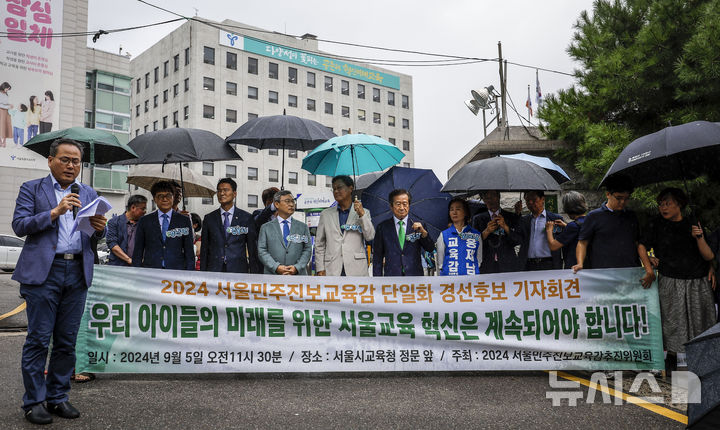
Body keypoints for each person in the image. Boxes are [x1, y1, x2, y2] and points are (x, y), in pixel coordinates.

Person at [12, 139, 107, 424]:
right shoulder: (32, 189)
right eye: (65, 159)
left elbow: (91, 235)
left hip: (77, 271)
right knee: (39, 340)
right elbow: (19, 225)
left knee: (66, 342)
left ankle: (58, 397)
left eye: (76, 161)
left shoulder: (88, 192)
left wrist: (99, 229)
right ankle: (34, 401)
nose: (71, 165)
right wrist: (55, 211)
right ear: (51, 160)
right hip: (44, 273)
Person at [638, 188, 716, 368]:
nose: (663, 207)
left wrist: (699, 238)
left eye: (668, 203)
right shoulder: (656, 224)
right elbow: (642, 245)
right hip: (670, 279)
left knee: (700, 321)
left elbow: (709, 256)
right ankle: (672, 359)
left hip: (697, 279)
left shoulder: (693, 223)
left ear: (679, 204)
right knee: (672, 322)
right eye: (661, 204)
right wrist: (649, 269)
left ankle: (704, 361)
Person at [572, 175, 656, 288]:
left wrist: (648, 267)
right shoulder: (594, 216)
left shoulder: (631, 216)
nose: (622, 202)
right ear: (608, 194)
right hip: (604, 275)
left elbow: (638, 243)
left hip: (630, 274)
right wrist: (580, 263)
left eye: (626, 199)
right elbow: (582, 242)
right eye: (618, 198)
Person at [315, 175, 375, 276]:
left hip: (356, 269)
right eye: (334, 189)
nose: (336, 191)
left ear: (350, 188)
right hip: (332, 269)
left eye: (339, 187)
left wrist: (362, 215)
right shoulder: (325, 214)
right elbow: (319, 244)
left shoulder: (364, 212)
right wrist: (320, 268)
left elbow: (370, 236)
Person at [200, 178, 260, 273]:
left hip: (238, 270)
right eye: (219, 191)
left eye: (226, 190)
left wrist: (254, 274)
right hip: (214, 269)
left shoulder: (246, 218)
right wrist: (202, 273)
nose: (222, 193)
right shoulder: (209, 218)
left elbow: (252, 249)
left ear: (234, 194)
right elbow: (204, 249)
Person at [132, 181, 194, 270]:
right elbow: (138, 251)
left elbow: (189, 252)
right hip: (151, 271)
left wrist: (190, 274)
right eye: (160, 196)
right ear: (155, 199)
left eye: (168, 196)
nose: (165, 199)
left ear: (173, 197)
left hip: (176, 272)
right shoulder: (144, 221)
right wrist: (136, 272)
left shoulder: (184, 221)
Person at [372, 189, 435, 276]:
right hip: (392, 277)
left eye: (405, 204)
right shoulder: (382, 227)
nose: (402, 208)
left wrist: (424, 233)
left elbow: (430, 248)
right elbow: (377, 257)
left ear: (409, 205)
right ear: (391, 206)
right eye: (398, 204)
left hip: (414, 276)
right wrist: (377, 281)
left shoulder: (419, 225)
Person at [257, 190, 312, 275]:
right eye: (287, 201)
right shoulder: (265, 228)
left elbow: (307, 249)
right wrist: (276, 267)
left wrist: (297, 267)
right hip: (273, 276)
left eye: (293, 201)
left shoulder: (303, 227)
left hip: (298, 276)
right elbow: (262, 251)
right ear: (277, 204)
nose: (291, 204)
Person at [471, 190, 521, 273]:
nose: (491, 200)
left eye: (493, 196)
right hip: (486, 264)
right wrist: (486, 231)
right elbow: (473, 243)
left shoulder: (511, 216)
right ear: (483, 200)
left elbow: (517, 240)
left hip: (508, 264)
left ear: (499, 197)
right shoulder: (478, 219)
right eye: (487, 198)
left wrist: (505, 227)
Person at [517, 190, 564, 271]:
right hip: (528, 265)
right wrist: (517, 215)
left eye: (534, 199)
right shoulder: (524, 220)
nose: (531, 202)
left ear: (542, 199)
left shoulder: (555, 219)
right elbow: (516, 238)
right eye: (527, 200)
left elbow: (564, 240)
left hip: (549, 264)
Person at [436, 197, 483, 276]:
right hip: (450, 282)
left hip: (471, 281)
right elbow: (441, 262)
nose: (454, 212)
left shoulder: (476, 235)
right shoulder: (444, 235)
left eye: (458, 209)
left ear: (465, 212)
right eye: (451, 210)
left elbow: (479, 260)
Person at [545, 191, 587, 269]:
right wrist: (566, 226)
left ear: (568, 208)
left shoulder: (572, 226)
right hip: (590, 266)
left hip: (575, 267)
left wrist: (549, 230)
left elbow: (553, 246)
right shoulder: (590, 220)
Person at [106, 194, 147, 266]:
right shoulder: (114, 222)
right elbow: (112, 244)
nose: (145, 211)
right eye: (143, 209)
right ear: (133, 207)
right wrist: (129, 260)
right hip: (118, 267)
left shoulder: (144, 223)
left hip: (138, 267)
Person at [0, 82, 13, 147]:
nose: (7, 90)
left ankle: (4, 141)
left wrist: (9, 105)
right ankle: (0, 141)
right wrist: (7, 106)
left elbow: (5, 102)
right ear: (4, 87)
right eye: (7, 88)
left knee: (7, 126)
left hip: (6, 111)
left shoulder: (6, 94)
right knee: (1, 126)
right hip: (1, 111)